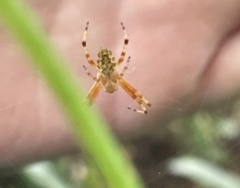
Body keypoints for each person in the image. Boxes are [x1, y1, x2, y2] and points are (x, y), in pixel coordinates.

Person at [1, 0, 240, 167]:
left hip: (108, 66)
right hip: (107, 65)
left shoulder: (109, 74)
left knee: (126, 97)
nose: (107, 85)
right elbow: (91, 57)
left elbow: (119, 55)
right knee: (89, 102)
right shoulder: (106, 74)